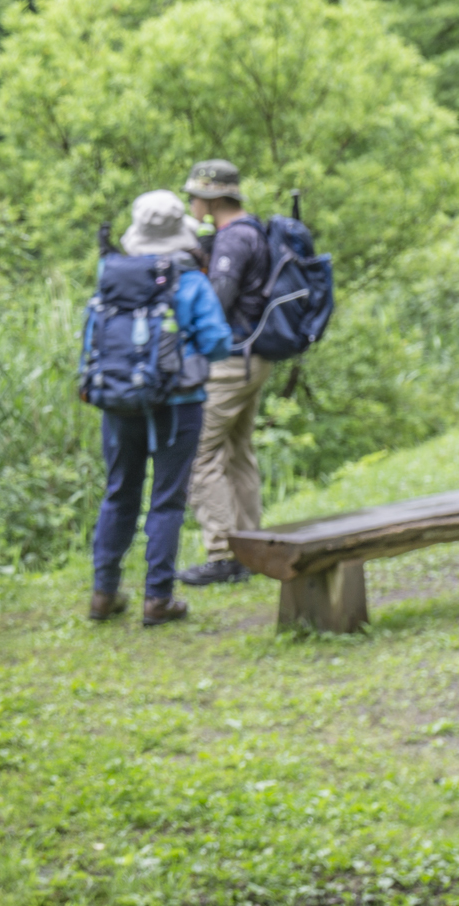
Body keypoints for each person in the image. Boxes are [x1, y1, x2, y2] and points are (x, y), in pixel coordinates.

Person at [85, 190, 231, 626]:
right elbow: (218, 342)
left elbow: (93, 333)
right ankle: (158, 598)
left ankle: (103, 593)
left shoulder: (110, 274)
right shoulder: (190, 281)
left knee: (119, 493)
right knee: (167, 500)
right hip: (178, 405)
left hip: (118, 402)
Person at [177, 159, 272, 586]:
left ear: (211, 197)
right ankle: (251, 545)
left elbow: (216, 303)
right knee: (238, 451)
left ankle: (222, 553)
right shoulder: (254, 230)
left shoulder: (233, 240)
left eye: (195, 195)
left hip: (232, 361)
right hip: (255, 357)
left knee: (199, 454)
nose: (192, 203)